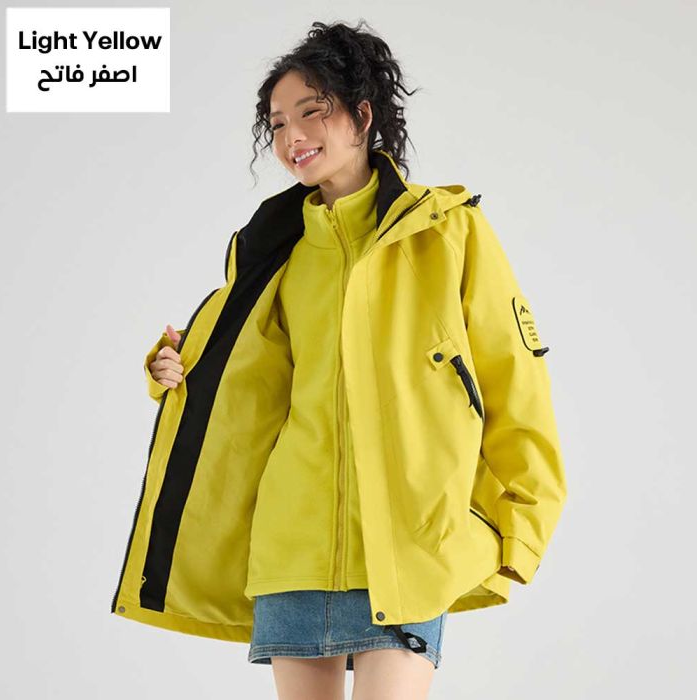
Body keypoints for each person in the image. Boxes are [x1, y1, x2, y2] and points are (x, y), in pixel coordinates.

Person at [115, 19, 567, 700]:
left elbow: (514, 382)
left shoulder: (448, 232)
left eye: (312, 111)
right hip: (290, 545)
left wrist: (522, 530)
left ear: (362, 114)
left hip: (409, 546)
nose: (291, 136)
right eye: (277, 123)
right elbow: (244, 389)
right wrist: (172, 372)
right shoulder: (274, 247)